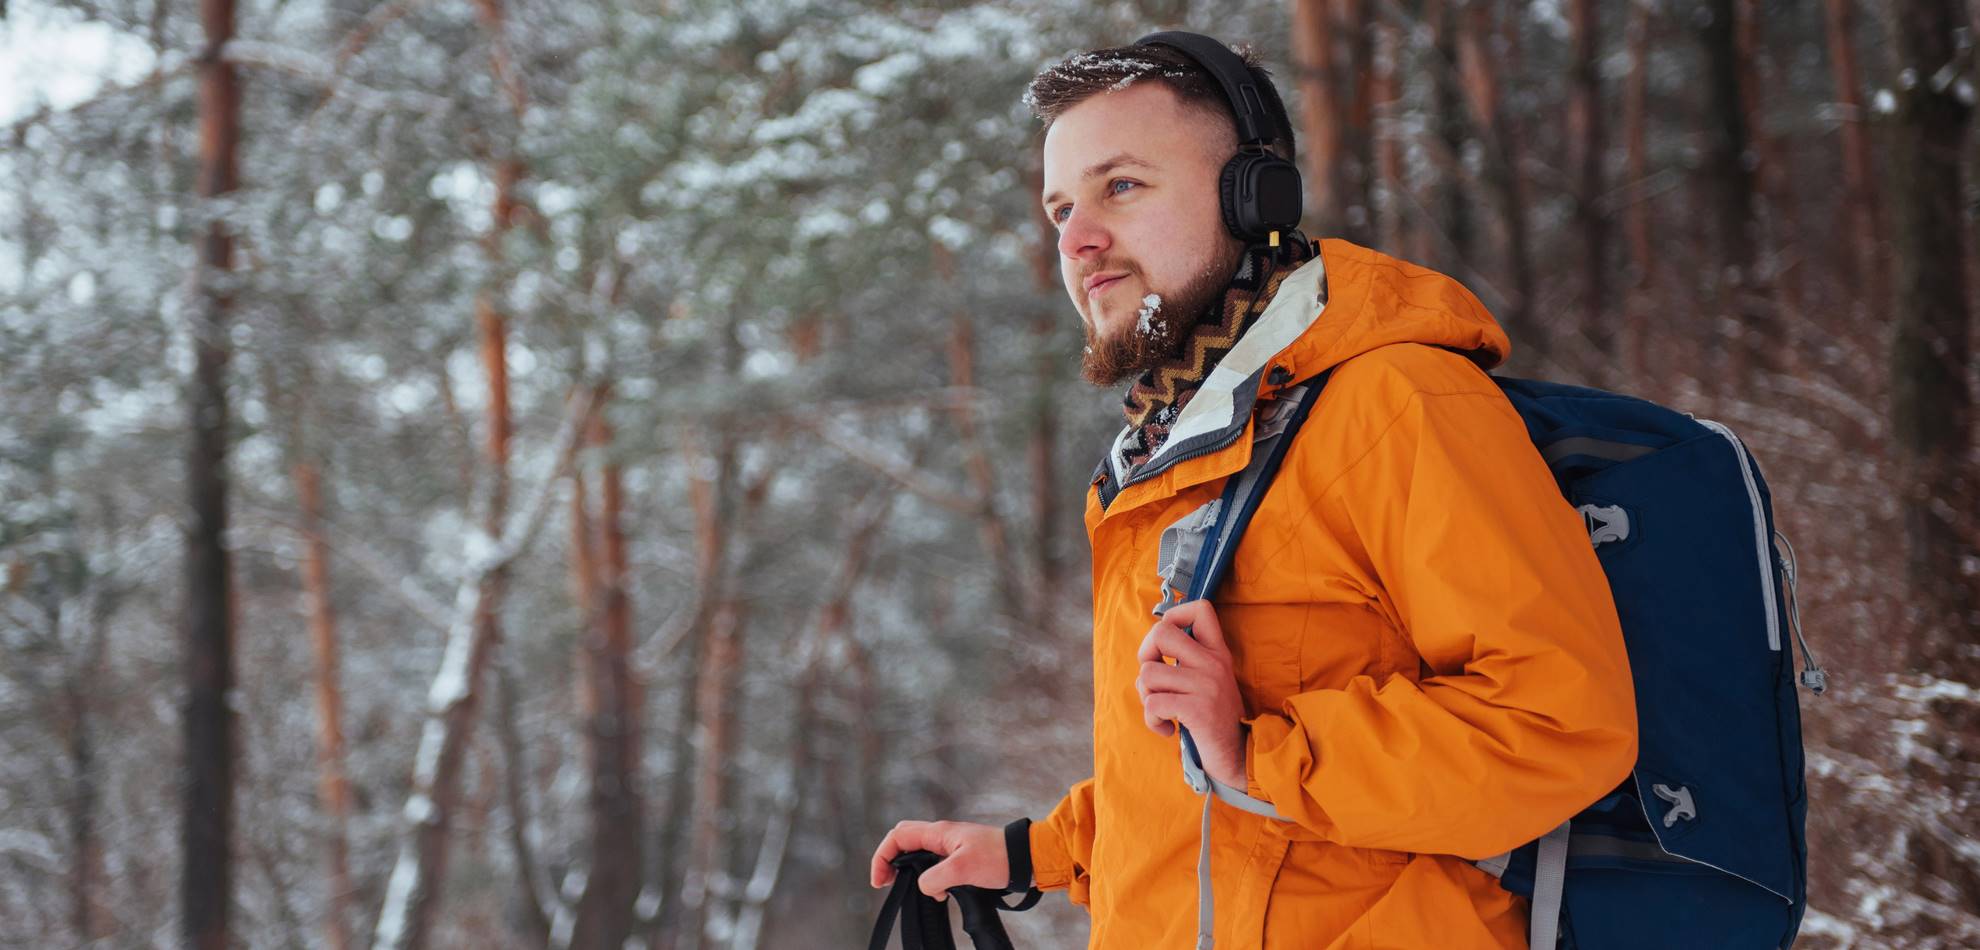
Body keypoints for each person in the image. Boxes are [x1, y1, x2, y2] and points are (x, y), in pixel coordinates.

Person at [870, 34, 1637, 949]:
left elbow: (1558, 723)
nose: (1077, 240)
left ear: (1256, 195)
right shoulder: (1170, 450)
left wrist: (1255, 751)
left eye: (1122, 187)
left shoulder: (1395, 405)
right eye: (1062, 207)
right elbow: (1199, 785)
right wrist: (1042, 851)